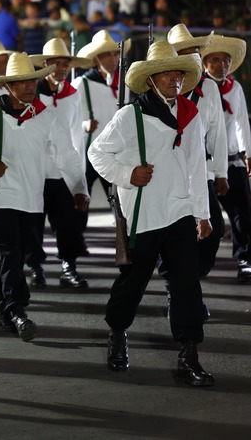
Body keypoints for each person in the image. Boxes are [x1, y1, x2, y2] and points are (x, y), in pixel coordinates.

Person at [88, 41, 214, 387]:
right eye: (167, 73)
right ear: (152, 79)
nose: (174, 78)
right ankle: (117, 333)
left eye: (178, 73)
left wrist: (202, 214)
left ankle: (189, 354)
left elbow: (196, 167)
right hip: (142, 214)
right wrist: (128, 174)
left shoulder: (191, 112)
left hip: (180, 212)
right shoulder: (130, 115)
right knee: (133, 281)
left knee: (187, 285)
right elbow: (97, 153)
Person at [0, 53, 88, 341]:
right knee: (12, 252)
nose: (30, 86)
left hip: (32, 199)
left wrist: (79, 187)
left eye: (32, 80)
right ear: (8, 86)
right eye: (22, 82)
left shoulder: (46, 116)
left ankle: (0, 306)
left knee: (12, 254)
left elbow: (67, 154)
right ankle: (18, 310)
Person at [165, 25, 226, 302]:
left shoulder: (210, 88)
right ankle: (178, 288)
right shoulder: (165, 85)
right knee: (175, 235)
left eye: (198, 52)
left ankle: (191, 279)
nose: (195, 57)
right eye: (188, 52)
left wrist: (221, 172)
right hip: (168, 171)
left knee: (214, 231)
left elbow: (218, 132)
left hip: (201, 171)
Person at [27, 38, 94, 288]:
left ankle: (68, 266)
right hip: (35, 169)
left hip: (63, 170)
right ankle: (35, 265)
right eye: (56, 62)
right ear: (45, 64)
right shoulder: (32, 92)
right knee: (34, 223)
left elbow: (77, 134)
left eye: (65, 63)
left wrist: (79, 176)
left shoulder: (73, 95)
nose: (61, 67)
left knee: (67, 223)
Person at [200, 34, 251, 283]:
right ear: (205, 63)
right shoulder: (196, 89)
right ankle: (190, 263)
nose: (222, 65)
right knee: (201, 216)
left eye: (226, 60)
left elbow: (242, 123)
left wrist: (248, 153)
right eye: (216, 60)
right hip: (203, 163)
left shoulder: (235, 88)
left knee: (243, 211)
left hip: (231, 159)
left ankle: (244, 258)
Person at [74, 30, 130, 233]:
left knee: (119, 200)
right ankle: (75, 245)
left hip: (114, 152)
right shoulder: (82, 84)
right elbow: (68, 119)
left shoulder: (124, 83)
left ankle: (124, 240)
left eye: (115, 54)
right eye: (108, 54)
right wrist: (83, 125)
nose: (113, 59)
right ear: (97, 58)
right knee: (81, 198)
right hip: (88, 150)